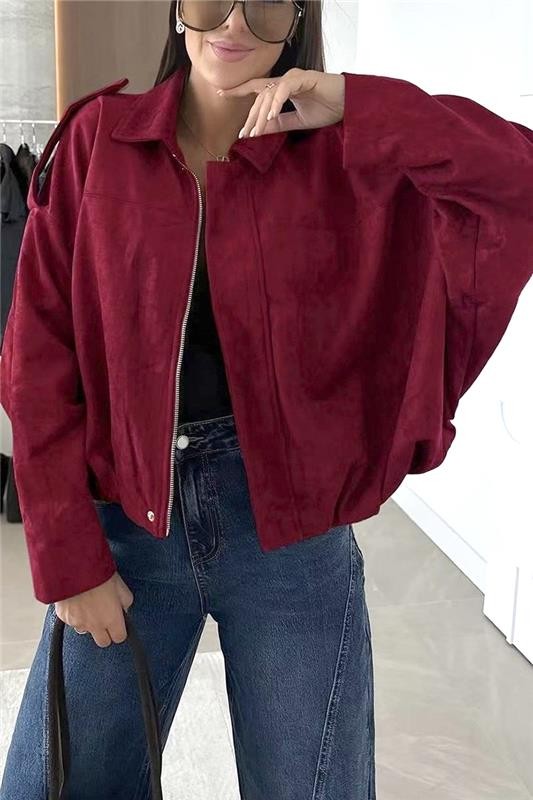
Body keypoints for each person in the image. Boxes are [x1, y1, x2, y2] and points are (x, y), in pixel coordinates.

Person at [1, 1, 377, 797]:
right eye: (211, 0)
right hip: (127, 516)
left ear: (296, 20)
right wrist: (65, 555)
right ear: (177, 10)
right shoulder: (99, 140)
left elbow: (509, 176)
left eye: (265, 5)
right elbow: (36, 356)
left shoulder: (336, 157)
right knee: (53, 783)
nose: (233, 24)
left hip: (292, 529)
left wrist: (354, 100)